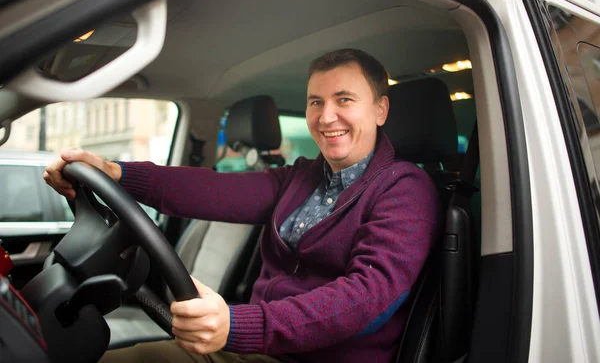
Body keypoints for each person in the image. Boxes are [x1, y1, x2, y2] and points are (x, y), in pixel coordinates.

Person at [43, 48, 440, 363]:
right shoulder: (301, 176)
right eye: (315, 102)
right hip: (254, 349)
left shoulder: (405, 189)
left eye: (345, 99)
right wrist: (116, 172)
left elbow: (366, 297)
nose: (326, 116)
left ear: (380, 109)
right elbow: (213, 190)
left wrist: (237, 324)